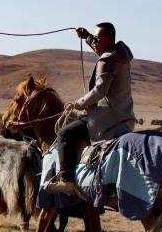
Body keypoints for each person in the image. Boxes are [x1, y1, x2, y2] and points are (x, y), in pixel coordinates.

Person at [46, 22, 136, 194]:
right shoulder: (119, 56)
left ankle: (66, 180)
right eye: (93, 38)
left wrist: (80, 103)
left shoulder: (108, 60)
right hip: (123, 117)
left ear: (109, 38)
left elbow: (100, 90)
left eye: (97, 38)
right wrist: (87, 36)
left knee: (64, 133)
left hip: (105, 120)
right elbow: (103, 51)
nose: (94, 41)